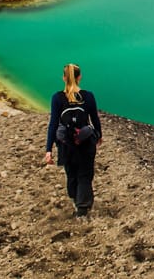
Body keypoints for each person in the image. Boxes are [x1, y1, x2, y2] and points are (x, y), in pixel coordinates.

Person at [44, 63, 102, 217]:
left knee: (71, 173)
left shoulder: (57, 98)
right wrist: (99, 136)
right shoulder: (88, 96)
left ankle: (75, 199)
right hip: (85, 141)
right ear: (79, 77)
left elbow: (53, 124)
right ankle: (82, 207)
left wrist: (48, 149)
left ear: (64, 78)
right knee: (85, 173)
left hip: (66, 144)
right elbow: (95, 119)